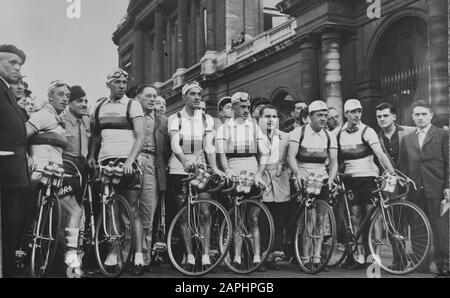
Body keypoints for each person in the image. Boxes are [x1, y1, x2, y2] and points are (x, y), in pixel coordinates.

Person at [87, 68, 146, 274]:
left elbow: (140, 136)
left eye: (124, 82)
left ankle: (137, 255)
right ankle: (113, 253)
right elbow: (95, 135)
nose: (122, 85)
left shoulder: (133, 104)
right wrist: (92, 156)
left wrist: (130, 160)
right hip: (106, 161)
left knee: (132, 210)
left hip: (127, 162)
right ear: (108, 84)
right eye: (117, 82)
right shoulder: (99, 106)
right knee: (110, 209)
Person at [167, 81, 223, 271]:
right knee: (184, 214)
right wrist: (184, 161)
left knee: (205, 211)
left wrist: (213, 167)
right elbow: (175, 144)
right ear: (184, 97)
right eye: (192, 94)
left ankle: (205, 255)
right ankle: (189, 255)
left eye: (199, 94)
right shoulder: (175, 118)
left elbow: (208, 145)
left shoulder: (207, 119)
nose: (197, 97)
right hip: (179, 167)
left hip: (200, 168)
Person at [336, 99, 395, 269]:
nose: (356, 115)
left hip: (368, 177)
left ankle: (374, 259)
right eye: (353, 112)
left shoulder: (367, 131)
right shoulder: (339, 133)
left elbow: (380, 154)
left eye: (359, 111)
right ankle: (359, 257)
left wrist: (391, 171)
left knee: (372, 217)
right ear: (346, 114)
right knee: (355, 217)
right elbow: (335, 157)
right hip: (351, 179)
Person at [216, 91, 268, 271]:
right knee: (238, 217)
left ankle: (256, 256)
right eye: (243, 107)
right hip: (234, 169)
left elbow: (264, 153)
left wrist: (260, 173)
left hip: (252, 169)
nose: (247, 110)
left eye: (248, 107)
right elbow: (222, 154)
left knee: (253, 217)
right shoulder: (224, 128)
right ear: (235, 106)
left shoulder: (254, 127)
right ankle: (237, 256)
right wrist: (227, 170)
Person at [398, 100, 449, 276]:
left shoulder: (442, 135)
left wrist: (448, 187)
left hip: (436, 188)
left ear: (431, 115)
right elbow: (402, 166)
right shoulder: (407, 139)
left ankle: (443, 264)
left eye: (423, 114)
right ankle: (422, 263)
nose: (420, 117)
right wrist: (403, 189)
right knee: (418, 228)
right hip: (414, 190)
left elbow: (449, 162)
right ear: (412, 117)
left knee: (440, 228)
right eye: (417, 114)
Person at [287, 101, 338, 269]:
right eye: (319, 115)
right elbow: (291, 157)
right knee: (309, 218)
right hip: (304, 178)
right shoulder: (298, 132)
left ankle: (317, 256)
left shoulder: (329, 135)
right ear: (310, 117)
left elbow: (335, 162)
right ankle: (305, 256)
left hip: (321, 178)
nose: (324, 119)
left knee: (320, 220)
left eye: (325, 115)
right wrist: (298, 175)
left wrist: (331, 178)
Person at [0, 44, 31, 277]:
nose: (17, 68)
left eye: (19, 64)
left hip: (14, 173)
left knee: (12, 228)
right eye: (11, 62)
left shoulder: (7, 91)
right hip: (4, 171)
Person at [135, 84, 170, 272]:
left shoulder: (162, 120)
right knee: (130, 211)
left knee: (148, 212)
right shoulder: (131, 116)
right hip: (133, 162)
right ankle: (126, 255)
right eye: (148, 96)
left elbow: (168, 147)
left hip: (152, 164)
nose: (152, 99)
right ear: (138, 98)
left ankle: (144, 257)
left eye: (154, 96)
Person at [59, 85, 91, 275]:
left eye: (86, 101)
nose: (84, 104)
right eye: (80, 101)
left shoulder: (87, 120)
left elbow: (93, 139)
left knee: (77, 216)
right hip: (65, 166)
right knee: (74, 213)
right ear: (70, 103)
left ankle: (72, 259)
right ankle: (71, 263)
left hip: (82, 169)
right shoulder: (61, 119)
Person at [258, 105, 291, 270]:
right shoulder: (255, 136)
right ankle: (261, 255)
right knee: (264, 221)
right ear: (260, 118)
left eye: (274, 116)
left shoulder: (286, 137)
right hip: (263, 180)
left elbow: (292, 157)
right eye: (267, 116)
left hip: (281, 181)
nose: (270, 120)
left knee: (280, 221)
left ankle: (270, 255)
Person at [375, 103, 415, 168]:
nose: (382, 119)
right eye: (379, 116)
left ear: (394, 117)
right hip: (390, 176)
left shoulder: (411, 131)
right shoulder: (376, 139)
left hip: (410, 175)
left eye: (385, 116)